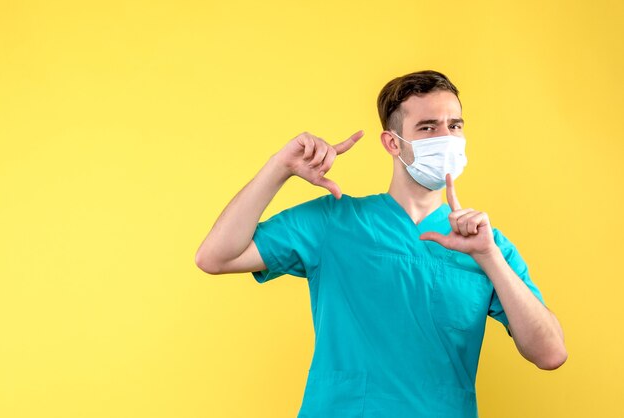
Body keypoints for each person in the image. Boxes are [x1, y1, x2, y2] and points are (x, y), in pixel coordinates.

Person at [195, 70, 567, 417]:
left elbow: (550, 353)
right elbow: (214, 257)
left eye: (455, 125)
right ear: (393, 142)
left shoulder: (485, 244)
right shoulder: (333, 221)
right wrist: (279, 167)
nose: (447, 138)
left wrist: (489, 258)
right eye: (428, 127)